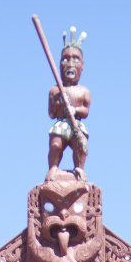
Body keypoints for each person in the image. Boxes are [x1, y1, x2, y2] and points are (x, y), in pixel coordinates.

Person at [47, 28, 90, 180]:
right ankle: (53, 167)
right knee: (56, 145)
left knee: (81, 145)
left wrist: (75, 109)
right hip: (62, 124)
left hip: (76, 123)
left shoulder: (84, 91)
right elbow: (51, 113)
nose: (70, 63)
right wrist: (58, 102)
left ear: (82, 65)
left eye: (75, 59)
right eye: (65, 59)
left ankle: (79, 168)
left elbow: (85, 110)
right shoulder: (55, 90)